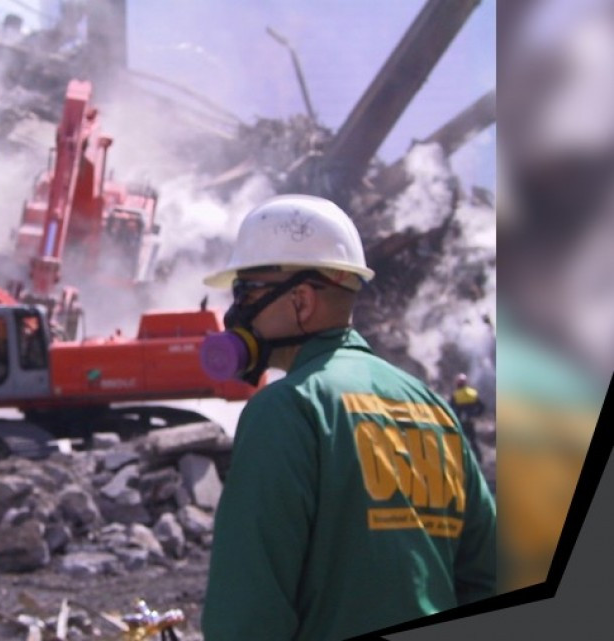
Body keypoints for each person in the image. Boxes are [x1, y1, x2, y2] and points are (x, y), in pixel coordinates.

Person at [199, 194, 496, 641]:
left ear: (300, 300)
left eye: (246, 292)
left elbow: (247, 610)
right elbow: (491, 577)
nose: (235, 311)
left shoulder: (286, 409)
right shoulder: (434, 410)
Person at [450, 372, 487, 465]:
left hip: (460, 422)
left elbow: (450, 408)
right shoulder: (472, 393)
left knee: (460, 441)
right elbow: (482, 407)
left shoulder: (456, 395)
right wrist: (476, 415)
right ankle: (479, 459)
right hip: (470, 421)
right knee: (473, 440)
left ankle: (461, 460)